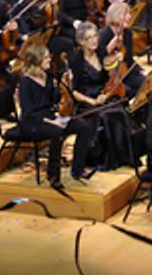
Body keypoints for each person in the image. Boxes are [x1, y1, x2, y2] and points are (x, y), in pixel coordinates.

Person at [15, 41, 93, 187]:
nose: (50, 59)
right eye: (46, 58)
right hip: (32, 123)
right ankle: (53, 176)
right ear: (36, 61)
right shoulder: (25, 82)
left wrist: (66, 84)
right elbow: (29, 112)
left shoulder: (48, 75)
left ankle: (78, 169)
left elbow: (54, 100)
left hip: (49, 118)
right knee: (57, 132)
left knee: (83, 126)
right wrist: (52, 122)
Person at [66, 20, 137, 170]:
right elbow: (74, 91)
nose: (94, 40)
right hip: (86, 101)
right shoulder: (75, 60)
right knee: (109, 114)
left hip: (104, 95)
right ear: (80, 42)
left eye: (95, 36)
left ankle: (123, 157)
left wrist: (117, 60)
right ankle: (105, 159)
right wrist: (92, 101)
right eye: (88, 38)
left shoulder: (100, 52)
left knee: (121, 108)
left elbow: (108, 73)